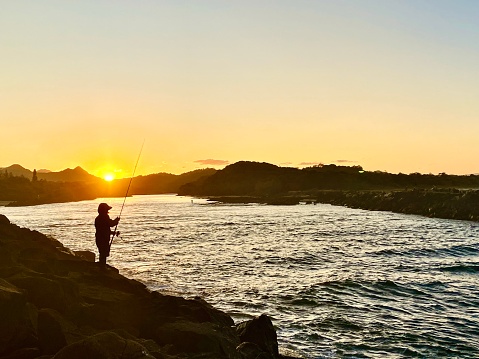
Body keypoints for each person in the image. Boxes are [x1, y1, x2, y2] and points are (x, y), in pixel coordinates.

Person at [95, 203, 120, 268]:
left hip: (99, 239)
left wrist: (113, 233)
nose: (107, 211)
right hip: (103, 239)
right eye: (106, 209)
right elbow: (111, 224)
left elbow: (103, 229)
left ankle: (102, 266)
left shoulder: (97, 218)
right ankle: (102, 268)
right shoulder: (104, 217)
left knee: (103, 253)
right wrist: (116, 220)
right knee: (104, 253)